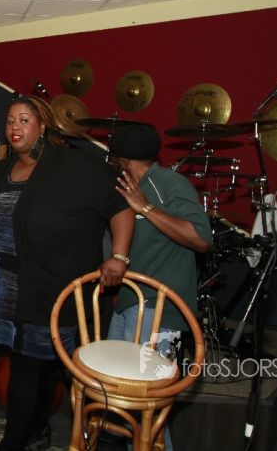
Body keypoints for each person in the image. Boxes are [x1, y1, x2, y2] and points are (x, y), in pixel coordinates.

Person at [0, 95, 135, 451]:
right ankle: (38, 430)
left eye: (24, 120)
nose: (15, 127)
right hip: (6, 293)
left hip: (49, 290)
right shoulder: (2, 170)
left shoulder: (74, 166)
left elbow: (120, 207)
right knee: (38, 367)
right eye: (10, 120)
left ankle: (12, 443)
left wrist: (118, 256)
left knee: (28, 369)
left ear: (43, 125)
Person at [107, 124, 212, 450]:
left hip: (159, 310)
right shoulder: (128, 185)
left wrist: (146, 208)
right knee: (122, 398)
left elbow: (201, 238)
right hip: (130, 303)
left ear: (122, 158)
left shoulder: (167, 182)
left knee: (145, 404)